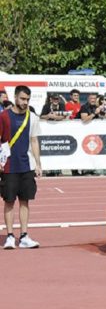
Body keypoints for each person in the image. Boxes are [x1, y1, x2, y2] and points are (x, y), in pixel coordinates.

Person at [1, 85, 42, 249]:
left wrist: (38, 164)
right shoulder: (3, 117)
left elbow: (34, 140)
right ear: (16, 97)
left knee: (25, 201)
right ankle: (10, 236)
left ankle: (24, 235)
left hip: (27, 166)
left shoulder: (32, 117)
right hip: (9, 166)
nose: (25, 102)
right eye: (23, 99)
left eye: (28, 100)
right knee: (9, 202)